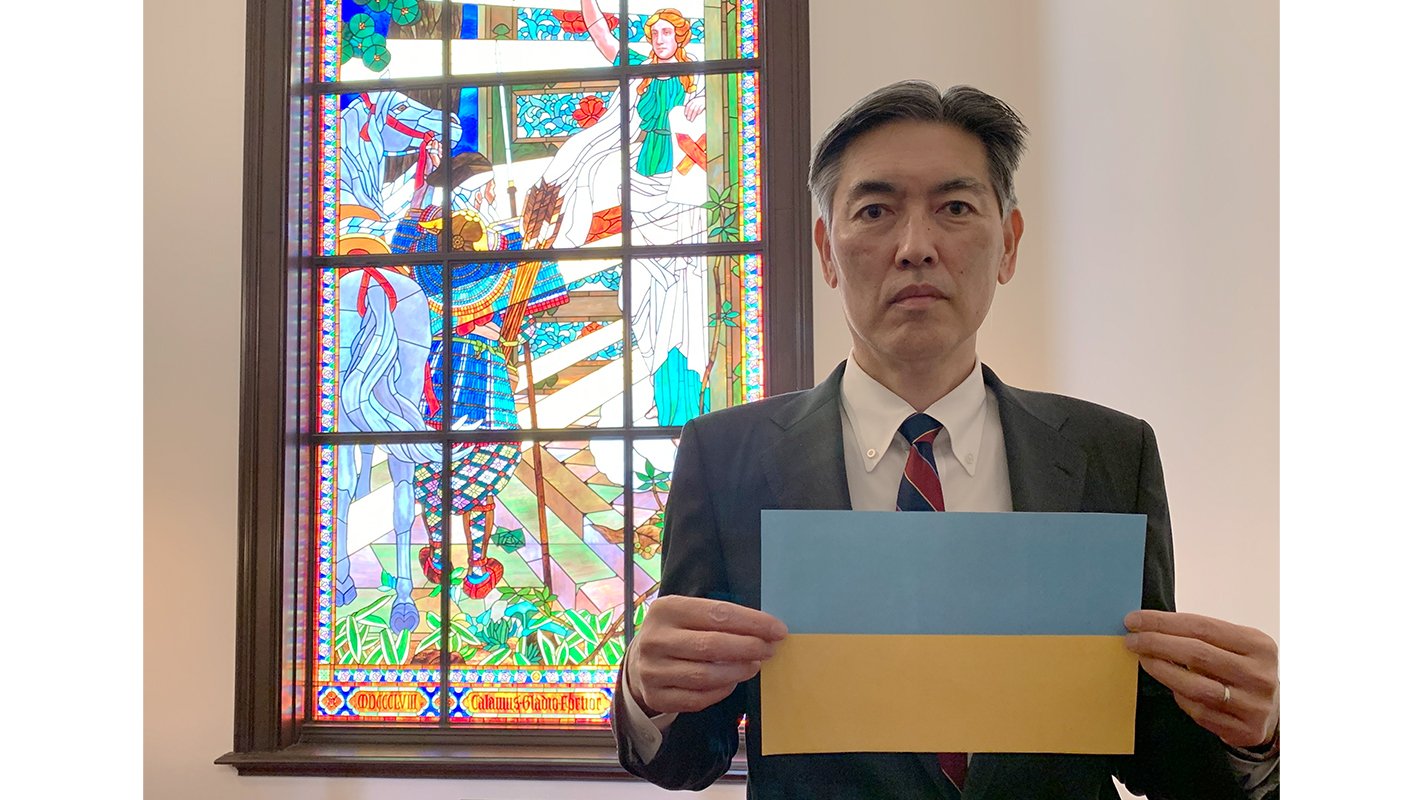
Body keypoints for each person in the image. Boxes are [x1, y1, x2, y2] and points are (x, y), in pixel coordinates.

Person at [610, 81, 1280, 798]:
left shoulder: (1110, 452)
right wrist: (647, 694)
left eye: (955, 208)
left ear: (1008, 243)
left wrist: (1257, 736)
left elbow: (1150, 748)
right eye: (875, 211)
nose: (915, 248)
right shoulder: (726, 457)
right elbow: (690, 757)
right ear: (827, 251)